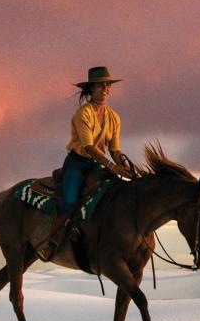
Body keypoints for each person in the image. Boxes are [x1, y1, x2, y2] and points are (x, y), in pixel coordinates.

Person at [43, 67, 134, 259]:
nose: (105, 89)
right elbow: (89, 147)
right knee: (70, 201)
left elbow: (115, 150)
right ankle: (53, 242)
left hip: (97, 165)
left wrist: (126, 167)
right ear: (91, 88)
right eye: (100, 86)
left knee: (112, 195)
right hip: (77, 163)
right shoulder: (83, 114)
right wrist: (112, 166)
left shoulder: (114, 117)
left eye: (107, 85)